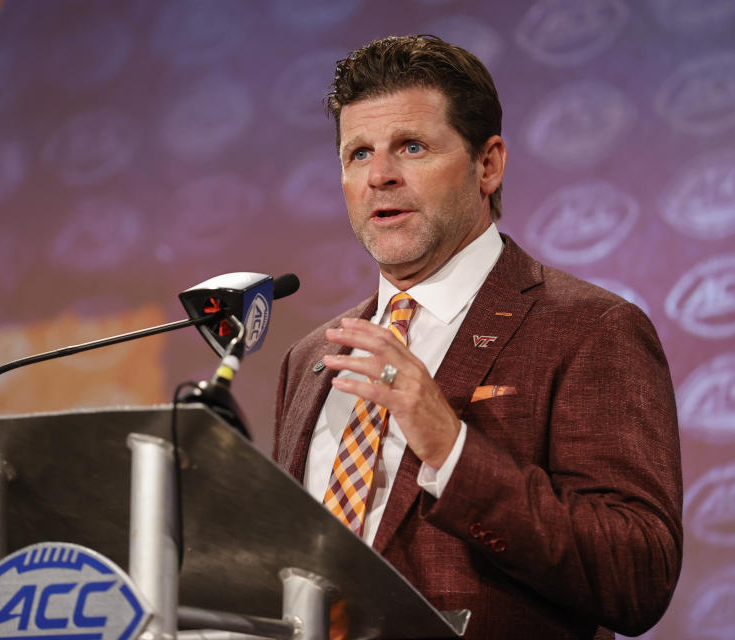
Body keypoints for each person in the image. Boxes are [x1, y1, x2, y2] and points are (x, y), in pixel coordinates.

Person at [273, 35, 682, 640]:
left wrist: (450, 448)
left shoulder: (589, 329)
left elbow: (637, 574)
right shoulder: (311, 358)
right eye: (358, 153)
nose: (380, 175)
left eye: (411, 147)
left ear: (487, 164)